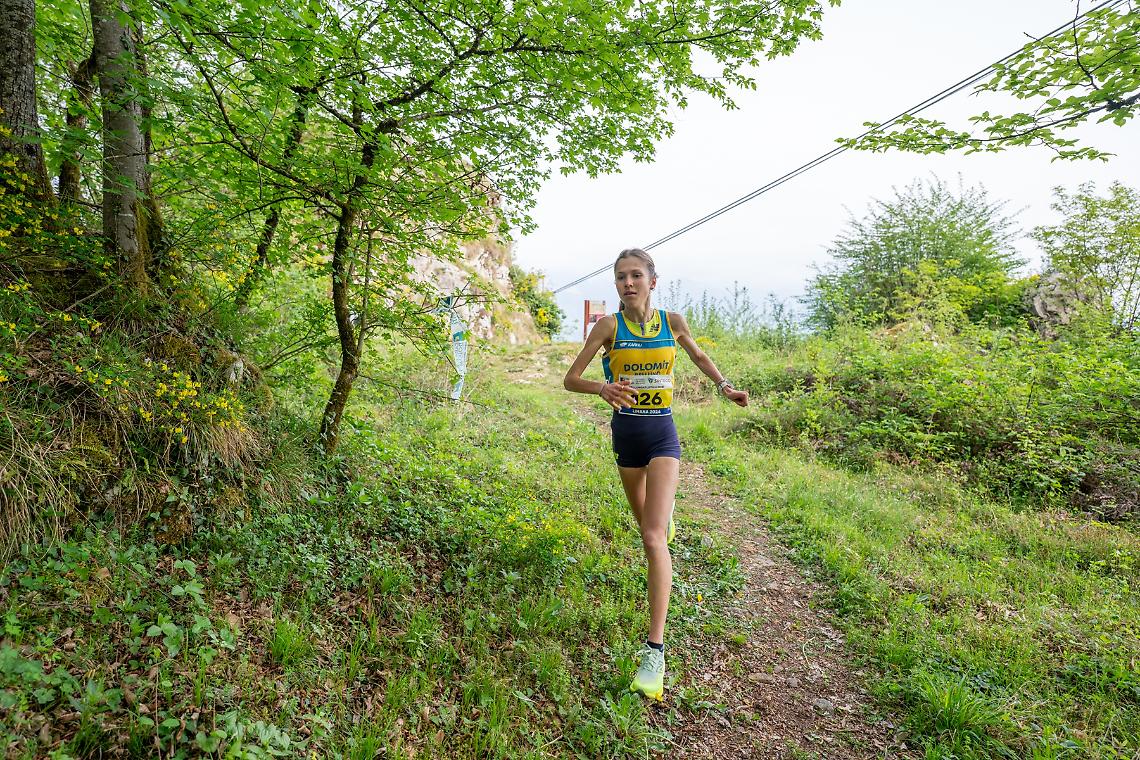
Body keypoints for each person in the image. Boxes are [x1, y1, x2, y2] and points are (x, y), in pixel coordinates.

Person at [563, 248, 749, 700]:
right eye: (621, 277)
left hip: (663, 435)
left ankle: (655, 651)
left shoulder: (674, 321)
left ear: (652, 280)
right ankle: (660, 530)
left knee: (653, 537)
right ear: (616, 285)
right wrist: (601, 387)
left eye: (635, 276)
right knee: (648, 530)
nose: (628, 283)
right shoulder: (608, 326)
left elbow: (700, 356)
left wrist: (725, 387)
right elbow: (571, 379)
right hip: (627, 440)